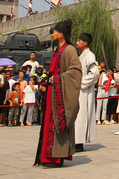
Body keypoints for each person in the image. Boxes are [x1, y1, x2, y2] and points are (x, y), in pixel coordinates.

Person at [34, 18, 82, 169]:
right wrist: (46, 83)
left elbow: (75, 71)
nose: (52, 34)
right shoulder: (57, 50)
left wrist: (57, 80)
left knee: (55, 124)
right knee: (48, 124)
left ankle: (55, 157)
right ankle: (46, 156)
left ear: (61, 34)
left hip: (59, 94)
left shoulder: (69, 50)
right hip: (52, 93)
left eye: (54, 31)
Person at [74, 33, 100, 151]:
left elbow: (95, 72)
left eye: (79, 41)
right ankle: (75, 140)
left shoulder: (90, 55)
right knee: (77, 115)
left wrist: (82, 83)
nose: (77, 43)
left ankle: (79, 142)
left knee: (82, 115)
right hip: (78, 90)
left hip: (84, 91)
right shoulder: (80, 56)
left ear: (85, 43)